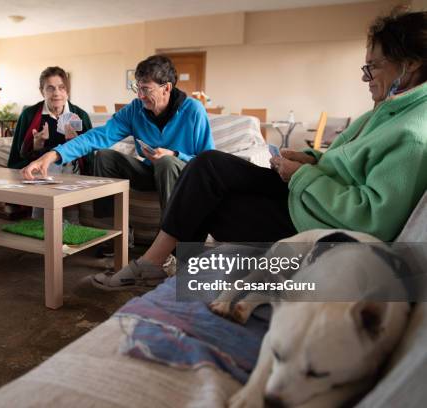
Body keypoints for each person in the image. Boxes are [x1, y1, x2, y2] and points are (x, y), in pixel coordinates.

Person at [91, 9, 427, 290]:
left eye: (374, 66)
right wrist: (310, 158)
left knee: (205, 193)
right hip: (310, 195)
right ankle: (164, 267)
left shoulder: (411, 133)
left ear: (409, 64)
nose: (366, 77)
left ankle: (165, 267)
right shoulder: (385, 111)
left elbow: (372, 221)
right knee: (209, 167)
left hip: (316, 216)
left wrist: (304, 175)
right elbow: (347, 162)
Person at [22, 55, 214, 221]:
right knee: (104, 156)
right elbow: (97, 136)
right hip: (149, 173)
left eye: (146, 89)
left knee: (166, 163)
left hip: (182, 176)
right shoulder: (134, 110)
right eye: (136, 88)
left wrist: (175, 154)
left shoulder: (194, 111)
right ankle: (114, 232)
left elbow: (208, 162)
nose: (139, 95)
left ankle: (171, 244)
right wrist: (52, 155)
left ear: (166, 88)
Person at [7, 66, 93, 222]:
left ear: (67, 91)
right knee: (49, 166)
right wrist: (36, 145)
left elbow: (90, 156)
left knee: (59, 166)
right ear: (42, 91)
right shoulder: (29, 115)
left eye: (61, 88)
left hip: (72, 169)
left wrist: (75, 144)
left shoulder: (80, 115)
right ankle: (50, 222)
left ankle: (57, 223)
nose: (57, 93)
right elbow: (18, 155)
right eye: (50, 88)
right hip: (41, 169)